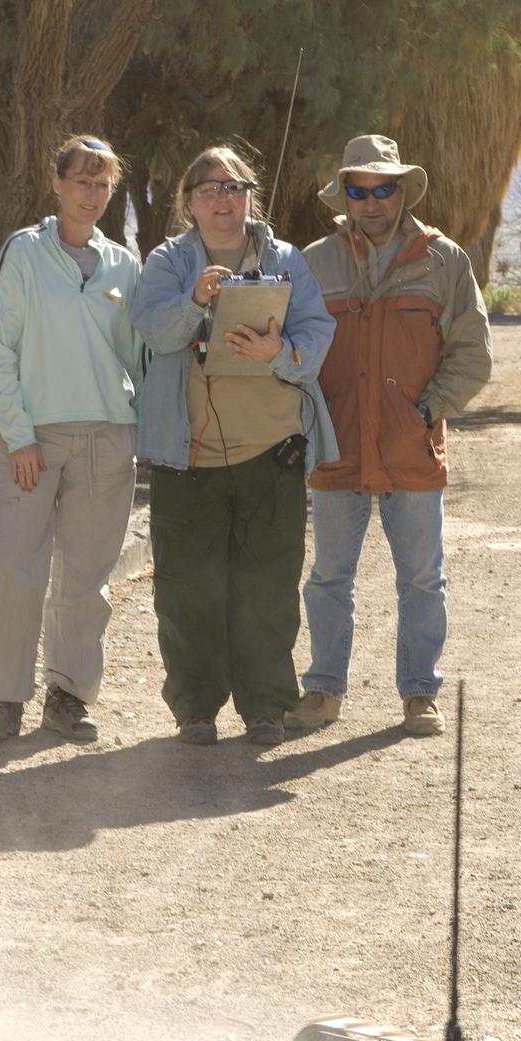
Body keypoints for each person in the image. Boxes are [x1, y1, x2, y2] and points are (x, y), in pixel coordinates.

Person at [286, 135, 492, 738]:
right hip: (337, 447)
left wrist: (427, 410)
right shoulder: (312, 261)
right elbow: (289, 347)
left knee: (423, 576)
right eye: (359, 188)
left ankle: (420, 693)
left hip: (411, 448)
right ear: (344, 193)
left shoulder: (445, 260)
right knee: (328, 576)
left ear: (402, 190)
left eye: (383, 188)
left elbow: (472, 354)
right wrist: (306, 417)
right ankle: (323, 691)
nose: (371, 200)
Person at [131, 145, 337, 747]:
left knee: (268, 586)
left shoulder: (287, 260)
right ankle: (196, 710)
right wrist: (195, 300)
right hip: (187, 455)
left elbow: (317, 331)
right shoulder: (168, 262)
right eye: (208, 189)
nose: (223, 199)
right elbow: (151, 327)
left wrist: (284, 354)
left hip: (272, 451)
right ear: (188, 202)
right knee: (187, 587)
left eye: (234, 187)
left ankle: (267, 708)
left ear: (252, 196)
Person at [0, 135, 143, 742]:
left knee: (86, 577)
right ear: (58, 183)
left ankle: (68, 695)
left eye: (103, 185)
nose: (91, 195)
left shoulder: (125, 265)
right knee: (16, 569)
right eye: (81, 181)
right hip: (33, 439)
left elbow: (137, 358)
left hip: (108, 439)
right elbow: (0, 348)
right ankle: (1, 698)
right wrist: (18, 437)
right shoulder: (23, 251)